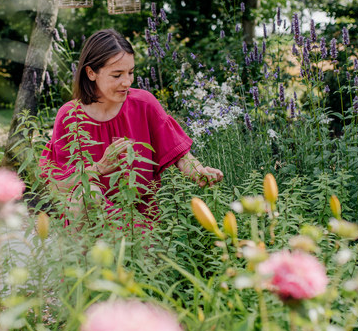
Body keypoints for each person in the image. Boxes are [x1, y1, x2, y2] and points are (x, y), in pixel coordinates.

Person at [40, 29, 223, 216]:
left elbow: (180, 156)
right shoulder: (70, 116)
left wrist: (200, 172)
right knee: (87, 194)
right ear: (91, 73)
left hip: (139, 220)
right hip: (92, 225)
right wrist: (99, 168)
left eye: (131, 72)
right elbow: (57, 185)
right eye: (117, 75)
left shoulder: (144, 104)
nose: (127, 82)